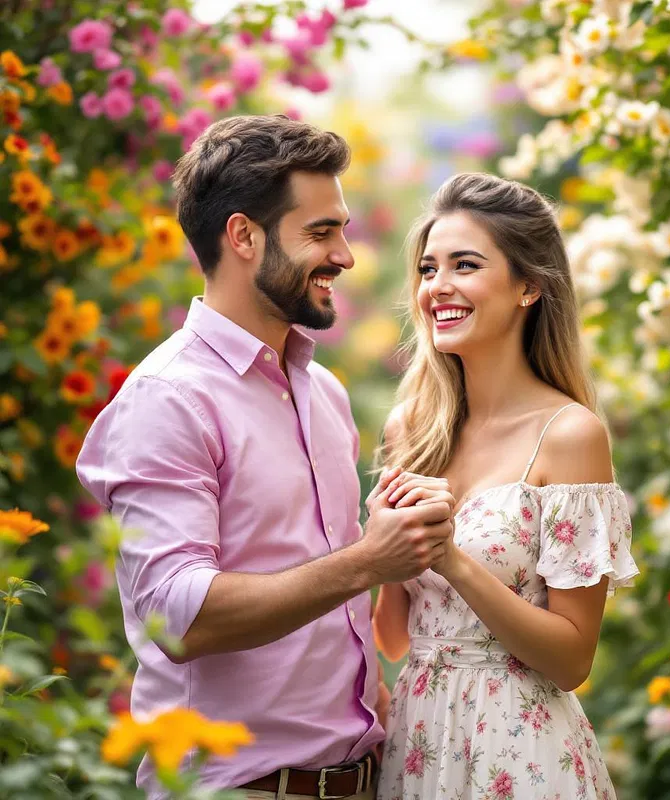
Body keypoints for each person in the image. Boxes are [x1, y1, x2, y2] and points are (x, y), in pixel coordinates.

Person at [75, 115, 456, 800]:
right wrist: (370, 560)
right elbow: (181, 618)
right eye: (320, 231)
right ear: (243, 236)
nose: (345, 254)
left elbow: (332, 607)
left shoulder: (324, 393)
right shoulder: (169, 400)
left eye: (341, 227)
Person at [371, 173, 640, 800]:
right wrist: (384, 543)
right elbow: (393, 637)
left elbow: (573, 661)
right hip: (419, 744)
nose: (438, 287)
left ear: (530, 286)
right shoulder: (410, 429)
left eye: (465, 265)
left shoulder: (569, 435)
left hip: (519, 750)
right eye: (428, 268)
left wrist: (453, 561)